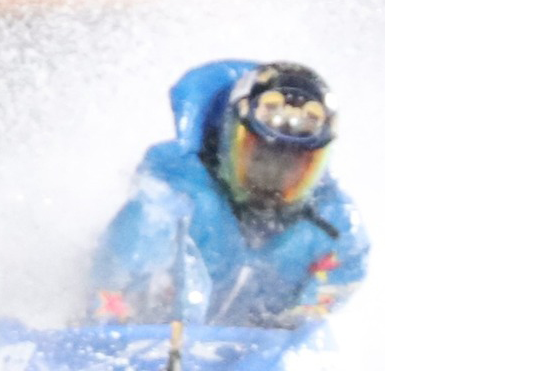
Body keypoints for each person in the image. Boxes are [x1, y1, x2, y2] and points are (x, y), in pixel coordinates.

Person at [85, 60, 368, 332]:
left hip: (253, 357)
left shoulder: (334, 233)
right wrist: (110, 322)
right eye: (259, 157)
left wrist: (295, 328)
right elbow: (112, 281)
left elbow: (310, 328)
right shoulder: (175, 197)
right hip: (148, 341)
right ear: (227, 138)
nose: (272, 180)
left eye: (292, 165)